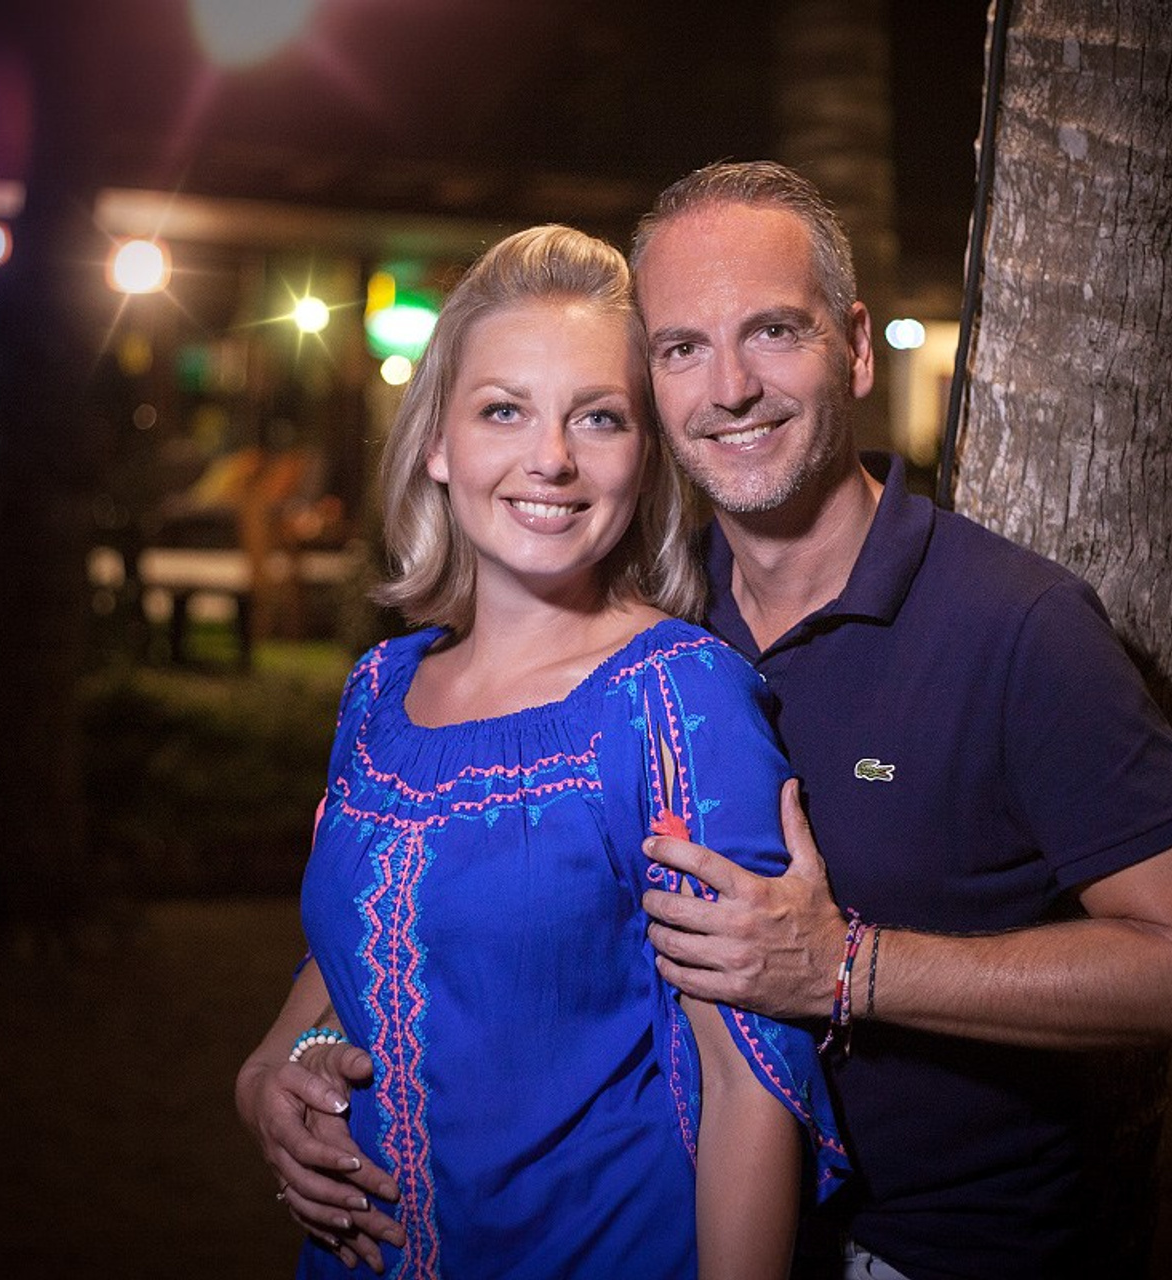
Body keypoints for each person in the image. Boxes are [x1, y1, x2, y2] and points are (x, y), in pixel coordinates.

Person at [236, 224, 849, 1278]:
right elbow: (352, 963)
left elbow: (748, 1082)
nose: (550, 458)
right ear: (438, 443)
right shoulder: (378, 692)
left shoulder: (673, 697)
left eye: (597, 417)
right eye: (502, 409)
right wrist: (263, 1078)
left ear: (644, 453)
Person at [630, 161, 1172, 1280]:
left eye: (771, 330)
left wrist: (845, 967)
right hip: (656, 1230)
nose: (727, 387)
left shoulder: (1018, 626)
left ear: (856, 346)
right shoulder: (644, 624)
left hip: (916, 1251)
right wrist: (318, 1039)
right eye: (681, 346)